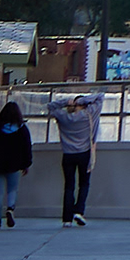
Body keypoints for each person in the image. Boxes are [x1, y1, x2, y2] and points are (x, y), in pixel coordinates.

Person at [45, 88, 98, 225]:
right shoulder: (89, 115)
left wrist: (67, 102)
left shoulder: (63, 117)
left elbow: (50, 106)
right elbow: (100, 97)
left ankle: (66, 219)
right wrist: (81, 100)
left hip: (68, 154)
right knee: (84, 184)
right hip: (84, 153)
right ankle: (79, 211)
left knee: (69, 186)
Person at [0, 100, 30, 227]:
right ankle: (10, 209)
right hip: (14, 164)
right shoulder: (22, 129)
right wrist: (26, 164)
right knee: (12, 189)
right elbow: (26, 147)